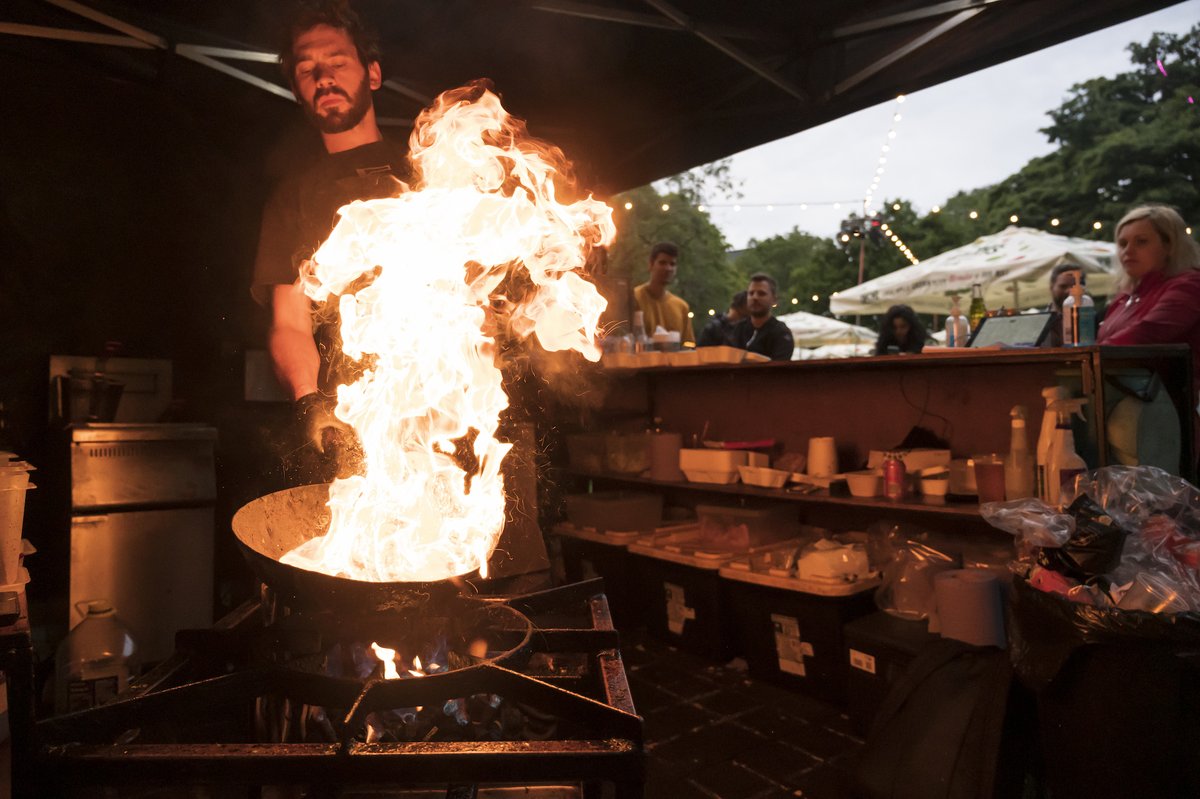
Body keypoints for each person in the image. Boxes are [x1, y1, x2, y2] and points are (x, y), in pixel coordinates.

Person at [251, 1, 408, 479]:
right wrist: (310, 401)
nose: (323, 78)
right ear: (298, 91)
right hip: (356, 426)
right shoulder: (293, 197)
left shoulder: (430, 169)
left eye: (337, 63)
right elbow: (290, 322)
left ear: (373, 74)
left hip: (461, 413)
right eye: (307, 70)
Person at [1097, 204, 1200, 401]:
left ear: (1169, 245)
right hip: (1118, 408)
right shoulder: (1124, 298)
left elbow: (1148, 332)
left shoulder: (1190, 285)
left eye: (1141, 242)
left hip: (1164, 414)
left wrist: (1082, 358)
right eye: (1122, 243)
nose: (1128, 251)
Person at [633, 242, 695, 345]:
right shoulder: (634, 298)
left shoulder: (681, 306)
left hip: (675, 361)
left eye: (672, 264)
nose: (668, 268)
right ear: (650, 265)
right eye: (662, 263)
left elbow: (688, 344)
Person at [731, 273, 794, 361]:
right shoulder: (737, 330)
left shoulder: (781, 334)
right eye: (751, 293)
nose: (755, 297)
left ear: (774, 300)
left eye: (761, 293)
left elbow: (780, 370)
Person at [1042, 263, 1079, 347]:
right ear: (1051, 288)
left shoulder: (1090, 320)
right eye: (1063, 286)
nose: (1069, 291)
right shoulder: (1039, 323)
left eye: (1074, 286)